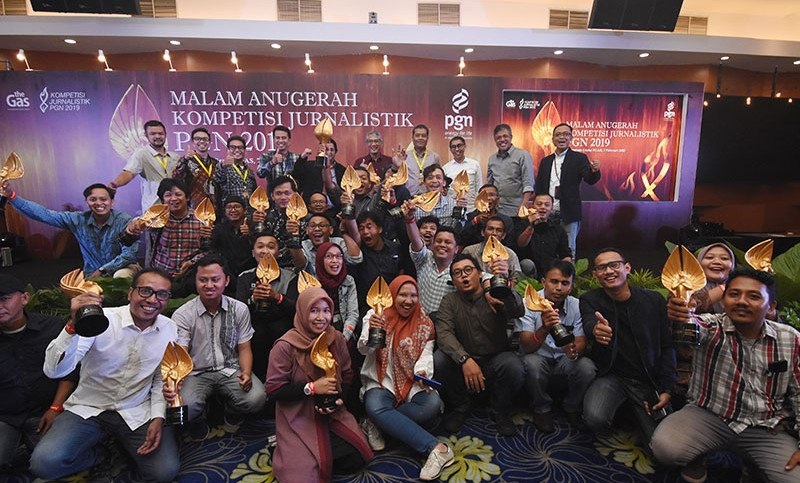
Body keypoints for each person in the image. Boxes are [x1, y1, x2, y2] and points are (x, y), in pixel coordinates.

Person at [30, 269, 180, 482]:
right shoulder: (102, 319)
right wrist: (73, 326)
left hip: (135, 410)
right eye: (145, 291)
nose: (153, 300)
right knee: (43, 464)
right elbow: (54, 371)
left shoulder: (169, 329)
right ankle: (99, 455)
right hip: (89, 408)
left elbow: (159, 379)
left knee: (163, 472)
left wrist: (158, 416)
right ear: (130, 293)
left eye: (162, 294)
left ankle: (118, 446)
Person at [652, 268, 800, 483]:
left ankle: (753, 467)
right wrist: (680, 316)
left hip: (766, 426)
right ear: (724, 300)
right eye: (734, 294)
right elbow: (690, 329)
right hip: (710, 416)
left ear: (771, 306)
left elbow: (798, 393)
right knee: (666, 448)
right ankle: (697, 457)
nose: (742, 301)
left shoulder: (790, 339)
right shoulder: (712, 326)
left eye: (753, 296)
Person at [266, 287, 373, 482]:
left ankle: (309, 453)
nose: (321, 318)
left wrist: (339, 399)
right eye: (314, 311)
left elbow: (347, 375)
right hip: (298, 417)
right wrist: (312, 388)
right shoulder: (285, 346)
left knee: (357, 458)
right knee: (303, 477)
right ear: (302, 311)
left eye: (326, 311)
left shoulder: (335, 338)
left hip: (332, 415)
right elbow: (273, 390)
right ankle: (281, 446)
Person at [358, 275, 455, 480]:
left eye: (413, 295)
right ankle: (436, 448)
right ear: (393, 295)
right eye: (402, 295)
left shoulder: (425, 323)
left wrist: (422, 372)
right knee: (375, 405)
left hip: (411, 382)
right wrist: (374, 329)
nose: (408, 301)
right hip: (382, 381)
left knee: (432, 404)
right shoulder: (376, 314)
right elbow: (363, 350)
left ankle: (377, 422)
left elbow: (426, 354)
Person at [580, 248, 675, 446]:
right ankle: (627, 411)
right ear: (595, 274)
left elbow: (667, 345)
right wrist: (597, 330)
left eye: (614, 265)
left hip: (647, 379)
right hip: (613, 376)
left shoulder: (653, 300)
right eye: (602, 268)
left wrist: (666, 387)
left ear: (627, 268)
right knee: (595, 418)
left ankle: (633, 413)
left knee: (662, 448)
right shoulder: (590, 299)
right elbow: (589, 323)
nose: (608, 271)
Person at [168, 255, 266, 439]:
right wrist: (177, 380)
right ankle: (198, 419)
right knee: (180, 408)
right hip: (195, 372)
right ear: (195, 281)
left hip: (230, 368)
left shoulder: (239, 309)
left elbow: (244, 347)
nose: (209, 285)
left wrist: (246, 372)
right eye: (203, 280)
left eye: (215, 279)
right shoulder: (183, 315)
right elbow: (181, 352)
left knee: (257, 398)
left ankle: (231, 411)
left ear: (226, 281)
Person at [434, 254, 526, 436]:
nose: (464, 275)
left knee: (513, 365)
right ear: (453, 280)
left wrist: (505, 287)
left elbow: (517, 310)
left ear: (480, 273)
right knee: (439, 360)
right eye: (457, 273)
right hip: (464, 364)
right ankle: (461, 406)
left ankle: (500, 411)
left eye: (468, 270)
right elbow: (444, 334)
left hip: (494, 360)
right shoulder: (449, 301)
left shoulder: (493, 294)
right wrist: (464, 359)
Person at [0, 274, 76, 471]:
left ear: (25, 298)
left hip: (48, 409)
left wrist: (56, 407)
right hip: (6, 416)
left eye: (4, 299)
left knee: (50, 462)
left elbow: (69, 373)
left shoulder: (51, 327)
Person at [516, 261, 596, 433]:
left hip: (563, 360)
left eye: (565, 283)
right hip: (538, 357)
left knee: (586, 366)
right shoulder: (529, 303)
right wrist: (544, 328)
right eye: (554, 281)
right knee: (531, 363)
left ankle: (572, 406)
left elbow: (581, 341)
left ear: (571, 286)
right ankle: (541, 409)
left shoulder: (576, 305)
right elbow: (526, 346)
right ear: (544, 281)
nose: (559, 288)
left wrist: (573, 349)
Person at [5, 182, 138, 278]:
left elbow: (129, 255)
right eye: (93, 199)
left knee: (121, 276)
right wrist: (12, 196)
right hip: (91, 275)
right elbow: (44, 214)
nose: (98, 203)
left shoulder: (123, 220)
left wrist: (102, 270)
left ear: (112, 202)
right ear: (86, 202)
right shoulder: (77, 219)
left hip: (122, 269)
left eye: (103, 199)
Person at [669, 242, 735, 406]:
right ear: (698, 264)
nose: (717, 261)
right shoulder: (683, 287)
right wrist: (723, 289)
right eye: (710, 257)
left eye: (724, 258)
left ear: (732, 265)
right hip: (692, 366)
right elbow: (690, 306)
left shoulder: (741, 291)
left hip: (731, 362)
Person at [122, 178, 205, 297]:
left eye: (178, 194)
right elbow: (127, 240)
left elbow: (209, 250)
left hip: (190, 277)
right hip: (159, 275)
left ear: (187, 197)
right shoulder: (156, 218)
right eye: (168, 195)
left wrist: (191, 262)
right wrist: (130, 230)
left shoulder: (201, 220)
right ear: (163, 200)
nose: (173, 199)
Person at [235, 233, 297, 383]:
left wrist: (277, 297)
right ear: (253, 252)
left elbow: (296, 310)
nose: (265, 251)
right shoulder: (244, 277)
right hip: (253, 332)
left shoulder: (291, 277)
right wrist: (253, 299)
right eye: (260, 246)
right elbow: (237, 311)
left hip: (282, 331)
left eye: (270, 247)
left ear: (278, 252)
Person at [534, 123, 601, 256]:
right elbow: (540, 186)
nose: (562, 137)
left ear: (571, 138)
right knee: (546, 247)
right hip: (547, 211)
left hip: (569, 212)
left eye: (566, 134)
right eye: (558, 135)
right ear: (553, 139)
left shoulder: (579, 158)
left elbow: (590, 180)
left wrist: (595, 171)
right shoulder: (546, 161)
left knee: (569, 249)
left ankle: (569, 269)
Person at [109, 120, 180, 213]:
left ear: (165, 135)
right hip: (153, 209)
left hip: (174, 206)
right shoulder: (141, 154)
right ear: (146, 136)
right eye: (153, 134)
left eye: (160, 133)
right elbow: (129, 173)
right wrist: (115, 184)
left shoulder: (175, 157)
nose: (157, 136)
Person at [403, 205, 457, 316]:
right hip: (420, 319)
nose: (442, 245)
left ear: (456, 249)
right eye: (439, 241)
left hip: (446, 322)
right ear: (433, 243)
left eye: (447, 242)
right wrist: (410, 219)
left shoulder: (459, 268)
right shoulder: (425, 259)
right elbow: (416, 241)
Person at [349, 210, 402, 315]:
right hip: (365, 308)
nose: (365, 232)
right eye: (361, 228)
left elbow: (401, 271)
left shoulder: (395, 248)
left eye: (369, 227)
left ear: (379, 229)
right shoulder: (359, 252)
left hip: (392, 305)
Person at [515, 193, 572, 278]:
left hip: (550, 271)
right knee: (526, 264)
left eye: (547, 205)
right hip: (528, 272)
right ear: (533, 206)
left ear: (551, 208)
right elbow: (521, 244)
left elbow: (565, 254)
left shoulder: (558, 229)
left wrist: (566, 271)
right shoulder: (523, 224)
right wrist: (531, 226)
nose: (543, 207)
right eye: (539, 204)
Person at [206, 196, 255, 295]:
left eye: (237, 206)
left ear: (244, 210)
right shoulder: (219, 229)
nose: (233, 210)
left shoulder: (253, 227)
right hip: (228, 273)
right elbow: (210, 248)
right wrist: (205, 236)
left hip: (249, 270)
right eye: (229, 207)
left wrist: (249, 235)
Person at [486, 124, 535, 217]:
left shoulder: (523, 155)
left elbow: (528, 183)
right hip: (497, 210)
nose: (502, 140)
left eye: (505, 136)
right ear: (495, 140)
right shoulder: (492, 159)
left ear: (511, 137)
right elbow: (489, 185)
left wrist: (524, 206)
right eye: (498, 137)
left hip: (516, 210)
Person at [291, 213, 362, 276]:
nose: (317, 229)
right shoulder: (303, 245)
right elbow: (300, 265)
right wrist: (294, 235)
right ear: (307, 230)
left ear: (331, 230)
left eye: (322, 225)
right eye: (312, 226)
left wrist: (343, 232)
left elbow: (356, 259)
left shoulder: (338, 242)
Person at [259, 175, 307, 268]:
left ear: (295, 194)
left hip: (299, 266)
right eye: (278, 193)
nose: (283, 197)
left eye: (287, 193)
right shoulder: (264, 217)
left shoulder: (305, 218)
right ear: (272, 196)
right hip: (269, 266)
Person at [315, 242, 359, 342]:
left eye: (338, 256)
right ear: (321, 260)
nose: (335, 261)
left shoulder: (348, 281)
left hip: (344, 330)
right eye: (329, 256)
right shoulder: (313, 283)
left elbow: (353, 314)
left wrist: (344, 337)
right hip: (320, 332)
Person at [461, 215, 522, 284]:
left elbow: (518, 281)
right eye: (490, 229)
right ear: (482, 232)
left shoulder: (511, 254)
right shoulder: (469, 251)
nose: (494, 233)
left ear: (503, 235)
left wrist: (506, 277)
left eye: (499, 230)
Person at [172, 127, 219, 209]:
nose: (202, 141)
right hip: (193, 206)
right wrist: (184, 160)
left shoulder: (215, 163)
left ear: (209, 142)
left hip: (213, 206)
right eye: (197, 139)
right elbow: (176, 178)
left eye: (205, 139)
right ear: (193, 143)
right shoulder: (186, 161)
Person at [391, 124, 441, 195]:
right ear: (412, 138)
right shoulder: (404, 156)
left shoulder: (434, 157)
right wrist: (395, 166)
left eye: (423, 136)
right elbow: (394, 178)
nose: (420, 138)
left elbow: (439, 178)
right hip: (408, 198)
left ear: (427, 138)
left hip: (429, 197)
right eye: (417, 135)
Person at [413, 163, 466, 229]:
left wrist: (460, 209)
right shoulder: (415, 205)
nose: (434, 181)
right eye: (430, 178)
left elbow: (459, 227)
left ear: (444, 182)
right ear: (424, 182)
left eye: (438, 177)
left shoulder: (453, 204)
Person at [461, 183, 514, 248]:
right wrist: (475, 221)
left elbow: (509, 244)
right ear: (478, 199)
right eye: (484, 195)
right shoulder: (469, 217)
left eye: (491, 195)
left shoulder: (506, 220)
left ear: (498, 199)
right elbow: (461, 239)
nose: (488, 198)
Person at [442, 136, 483, 212]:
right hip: (453, 209)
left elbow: (479, 187)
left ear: (464, 146)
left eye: (459, 145)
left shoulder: (474, 164)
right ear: (450, 149)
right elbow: (444, 192)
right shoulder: (445, 168)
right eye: (453, 147)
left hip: (472, 209)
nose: (457, 149)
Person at [213, 135, 257, 204]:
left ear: (245, 150)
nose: (237, 150)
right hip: (231, 209)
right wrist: (223, 166)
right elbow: (217, 179)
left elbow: (254, 193)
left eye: (240, 147)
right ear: (228, 150)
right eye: (233, 147)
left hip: (248, 209)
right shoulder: (223, 167)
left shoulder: (250, 171)